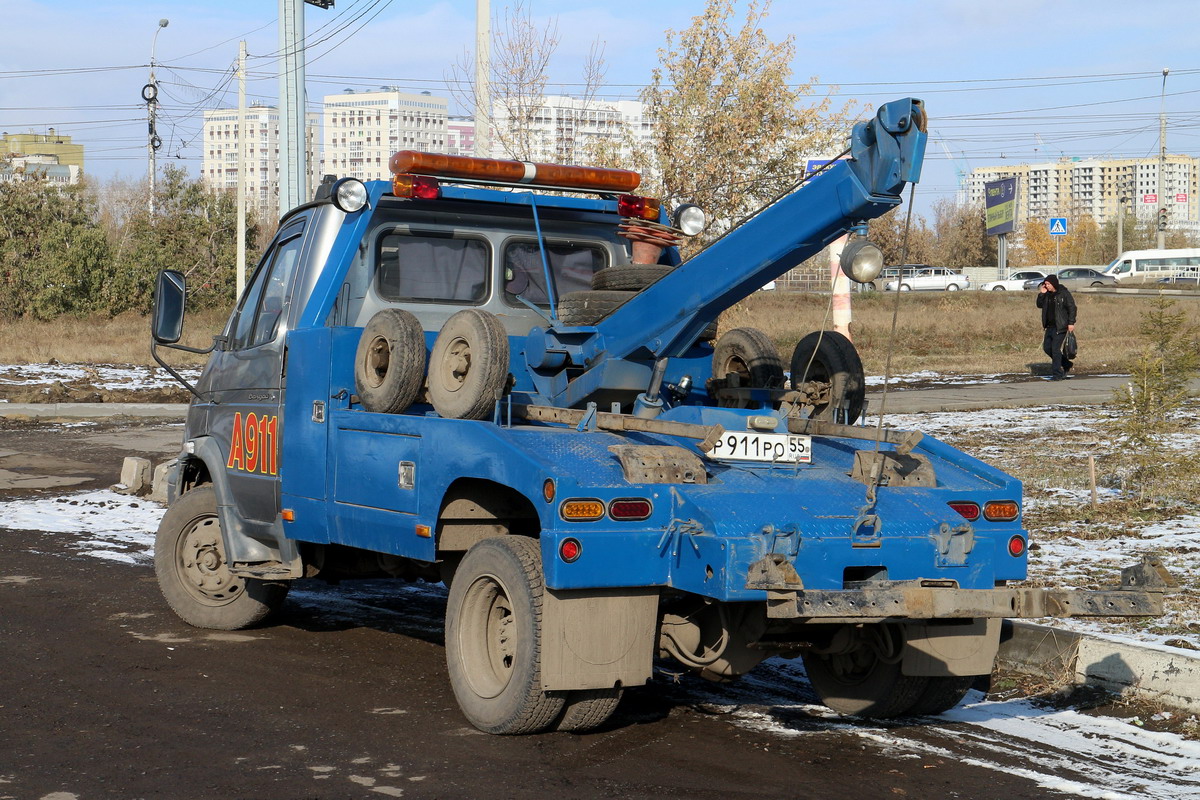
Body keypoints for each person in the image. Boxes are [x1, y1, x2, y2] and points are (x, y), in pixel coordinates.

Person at [1036, 274, 1076, 380]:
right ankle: (1066, 364)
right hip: (1049, 326)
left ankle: (1057, 374)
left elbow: (1072, 308)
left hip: (1061, 326)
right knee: (1047, 348)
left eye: (1048, 284)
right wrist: (1041, 294)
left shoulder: (1064, 293)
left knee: (1055, 349)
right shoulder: (1047, 294)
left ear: (1053, 284)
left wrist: (1071, 323)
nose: (1046, 286)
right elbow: (1039, 305)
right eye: (1045, 284)